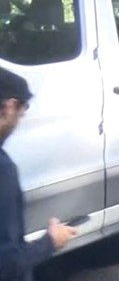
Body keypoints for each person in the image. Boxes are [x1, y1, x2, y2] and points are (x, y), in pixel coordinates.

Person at [0, 68, 76, 281]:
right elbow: (6, 265)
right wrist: (50, 242)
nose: (18, 122)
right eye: (21, 113)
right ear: (9, 106)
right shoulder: (3, 170)